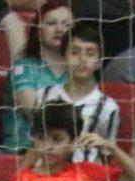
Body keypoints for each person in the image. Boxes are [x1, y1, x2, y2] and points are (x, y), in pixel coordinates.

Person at [31, 18, 119, 163]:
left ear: (99, 62)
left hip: (85, 178)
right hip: (47, 178)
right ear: (63, 57)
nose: (82, 59)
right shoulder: (45, 94)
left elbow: (106, 156)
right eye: (75, 52)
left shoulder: (108, 106)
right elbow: (34, 144)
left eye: (90, 54)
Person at [2, 0, 73, 148]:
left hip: (66, 151)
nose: (60, 29)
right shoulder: (23, 67)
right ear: (38, 30)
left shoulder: (77, 71)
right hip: (22, 149)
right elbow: (32, 110)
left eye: (66, 24)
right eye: (51, 23)